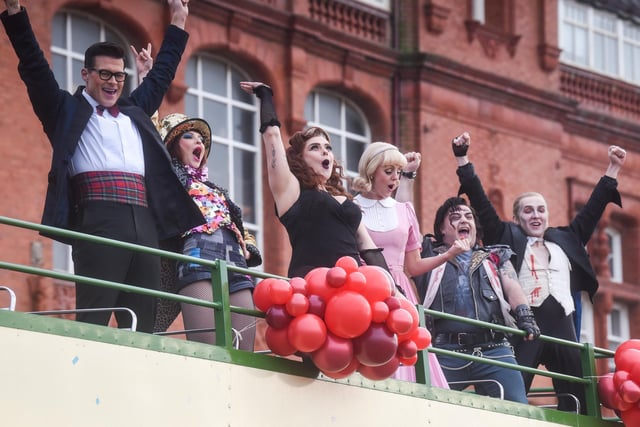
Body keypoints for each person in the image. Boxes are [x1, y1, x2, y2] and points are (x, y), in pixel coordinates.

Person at [1, 0, 204, 333]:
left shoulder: (134, 110)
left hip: (144, 222)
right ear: (86, 74)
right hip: (98, 218)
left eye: (119, 76)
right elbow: (35, 68)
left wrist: (179, 20)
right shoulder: (64, 111)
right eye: (105, 74)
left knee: (143, 324)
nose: (113, 82)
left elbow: (162, 75)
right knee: (94, 318)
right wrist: (15, 13)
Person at [452, 132, 626, 412]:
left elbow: (593, 209)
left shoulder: (566, 237)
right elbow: (481, 204)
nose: (536, 215)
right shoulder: (507, 235)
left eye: (541, 210)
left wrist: (613, 168)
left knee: (580, 399)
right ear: (517, 217)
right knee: (511, 394)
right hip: (525, 327)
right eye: (528, 211)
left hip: (563, 327)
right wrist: (463, 158)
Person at [239, 81, 391, 278]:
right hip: (313, 285)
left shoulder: (344, 200)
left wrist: (394, 289)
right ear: (299, 159)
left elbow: (368, 248)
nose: (325, 152)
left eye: (328, 148)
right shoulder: (291, 191)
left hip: (353, 285)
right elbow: (272, 136)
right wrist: (265, 95)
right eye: (315, 148)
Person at [352, 142, 469, 385]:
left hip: (400, 291)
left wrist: (448, 255)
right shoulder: (351, 207)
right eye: (388, 171)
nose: (394, 178)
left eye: (398, 172)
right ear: (372, 170)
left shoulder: (403, 210)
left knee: (405, 359)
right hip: (363, 289)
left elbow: (413, 266)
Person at [415, 197, 540, 403]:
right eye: (455, 217)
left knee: (517, 407)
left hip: (494, 348)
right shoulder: (428, 254)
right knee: (429, 407)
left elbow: (512, 285)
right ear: (442, 229)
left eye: (468, 216)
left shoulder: (494, 255)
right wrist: (407, 175)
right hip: (444, 351)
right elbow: (403, 227)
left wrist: (525, 314)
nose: (464, 220)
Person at [157, 113, 261, 350]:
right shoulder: (170, 182)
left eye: (201, 140)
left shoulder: (216, 190)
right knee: (207, 347)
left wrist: (248, 248)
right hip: (197, 254)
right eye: (188, 136)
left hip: (234, 260)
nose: (199, 143)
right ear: (173, 146)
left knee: (245, 348)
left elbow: (241, 227)